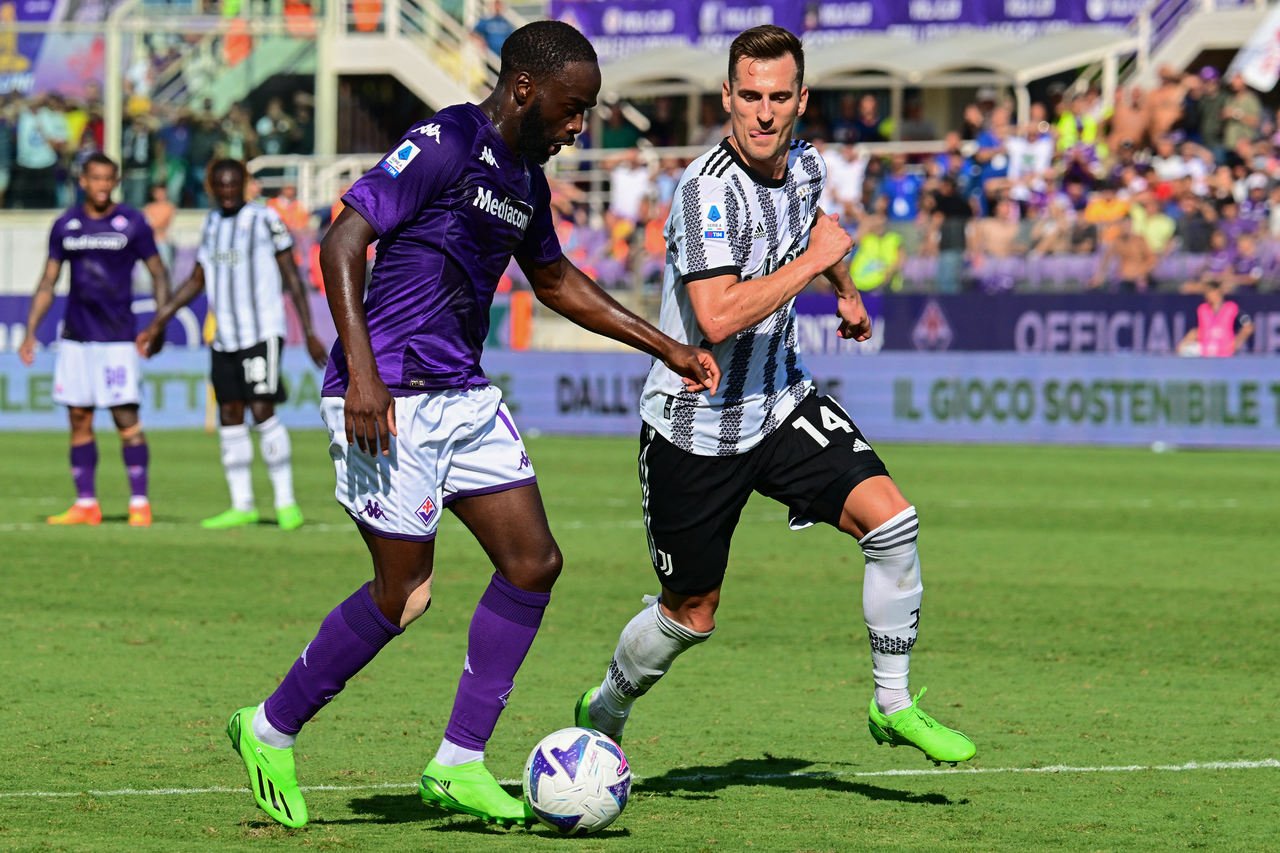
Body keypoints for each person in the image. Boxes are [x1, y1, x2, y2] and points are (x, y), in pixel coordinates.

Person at [218, 21, 720, 830]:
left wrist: (665, 345)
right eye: (571, 108)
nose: (577, 127)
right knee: (404, 594)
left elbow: (554, 279)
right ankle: (269, 726)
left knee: (533, 563)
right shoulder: (444, 140)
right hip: (387, 395)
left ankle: (457, 761)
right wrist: (365, 374)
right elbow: (344, 238)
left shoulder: (525, 173)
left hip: (462, 393)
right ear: (524, 88)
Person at [573, 25, 976, 768]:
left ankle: (892, 702)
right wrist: (823, 262)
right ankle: (607, 701)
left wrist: (846, 291)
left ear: (801, 100)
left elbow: (814, 228)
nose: (763, 113)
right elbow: (719, 312)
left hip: (781, 400)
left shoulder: (808, 166)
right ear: (726, 97)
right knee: (690, 615)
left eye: (778, 98)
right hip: (695, 426)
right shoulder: (703, 192)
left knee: (894, 524)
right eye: (749, 97)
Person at [137, 159, 327, 531]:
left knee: (262, 409)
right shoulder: (210, 224)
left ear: (243, 185)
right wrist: (160, 319)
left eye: (232, 184)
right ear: (212, 186)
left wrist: (308, 330)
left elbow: (291, 273)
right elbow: (197, 279)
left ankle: (286, 503)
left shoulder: (264, 219)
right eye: (220, 185)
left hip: (261, 332)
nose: (226, 192)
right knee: (229, 414)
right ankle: (242, 504)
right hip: (225, 337)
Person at [18, 152, 170, 526]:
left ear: (115, 182)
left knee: (125, 417)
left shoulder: (132, 223)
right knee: (79, 417)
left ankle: (139, 502)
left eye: (109, 179)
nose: (102, 185)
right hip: (75, 338)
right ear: (82, 181)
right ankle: (86, 504)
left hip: (117, 339)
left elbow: (159, 273)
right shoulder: (66, 224)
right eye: (96, 178)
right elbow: (48, 281)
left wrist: (159, 323)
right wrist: (30, 331)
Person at [1178, 280, 1254, 356]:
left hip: (1224, 352)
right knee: (1185, 351)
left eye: (1210, 292)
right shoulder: (1202, 309)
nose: (1207, 295)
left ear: (1217, 291)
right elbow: (1199, 331)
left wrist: (1236, 343)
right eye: (1206, 293)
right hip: (1205, 351)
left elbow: (1248, 326)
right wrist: (1185, 341)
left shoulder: (1232, 308)